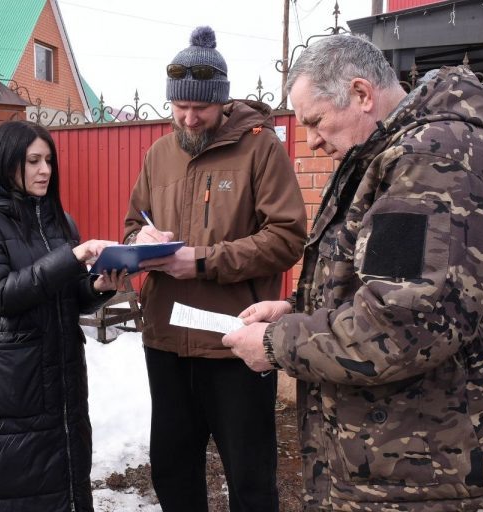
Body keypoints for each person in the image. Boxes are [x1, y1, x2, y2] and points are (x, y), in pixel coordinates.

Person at [222, 34, 483, 511]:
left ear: (361, 94)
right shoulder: (387, 154)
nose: (311, 139)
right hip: (403, 464)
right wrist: (299, 308)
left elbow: (402, 327)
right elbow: (389, 283)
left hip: (433, 477)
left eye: (315, 121)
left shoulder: (432, 161)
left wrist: (278, 342)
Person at [124, 26, 307, 512]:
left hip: (236, 344)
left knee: (250, 477)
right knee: (172, 473)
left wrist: (203, 261)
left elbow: (287, 238)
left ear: (221, 101)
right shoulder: (158, 155)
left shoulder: (260, 148)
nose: (188, 117)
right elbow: (130, 224)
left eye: (199, 108)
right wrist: (138, 241)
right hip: (165, 341)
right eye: (179, 107)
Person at [0, 120, 126, 512]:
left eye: (49, 160)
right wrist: (70, 258)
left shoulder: (59, 220)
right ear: (6, 162)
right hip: (10, 387)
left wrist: (97, 287)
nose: (45, 170)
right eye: (33, 160)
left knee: (66, 485)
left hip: (63, 383)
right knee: (15, 493)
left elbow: (65, 298)